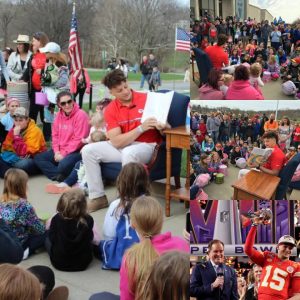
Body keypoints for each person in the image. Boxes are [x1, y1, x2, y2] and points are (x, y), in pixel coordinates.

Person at [81, 69, 165, 212]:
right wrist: (140, 128)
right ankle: (98, 197)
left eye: (126, 86)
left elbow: (164, 126)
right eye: (119, 90)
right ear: (111, 92)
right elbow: (116, 142)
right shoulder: (111, 109)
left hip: (147, 146)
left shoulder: (147, 99)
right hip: (123, 145)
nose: (126, 92)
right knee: (88, 150)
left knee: (128, 152)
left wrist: (162, 126)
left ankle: (129, 200)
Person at [120, 196, 189, 300]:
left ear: (132, 224)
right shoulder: (182, 245)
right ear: (161, 221)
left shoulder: (130, 258)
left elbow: (126, 297)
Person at [99, 162, 149, 269]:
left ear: (121, 182)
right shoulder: (150, 204)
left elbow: (108, 234)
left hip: (122, 254)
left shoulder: (116, 205)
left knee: (98, 244)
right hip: (144, 252)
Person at [34, 91, 90, 181]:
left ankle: (59, 172)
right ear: (59, 105)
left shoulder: (81, 115)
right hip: (60, 150)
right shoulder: (59, 115)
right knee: (38, 158)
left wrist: (63, 154)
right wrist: (56, 152)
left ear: (73, 101)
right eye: (63, 103)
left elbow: (78, 140)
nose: (67, 105)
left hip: (75, 151)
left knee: (63, 165)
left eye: (69, 101)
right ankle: (60, 175)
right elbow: (55, 135)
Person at [244, 222, 300, 299]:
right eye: (285, 246)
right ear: (278, 247)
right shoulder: (267, 257)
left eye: (290, 248)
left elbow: (298, 295)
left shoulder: (296, 266)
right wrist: (254, 225)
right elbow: (248, 249)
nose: (288, 250)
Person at [45, 188, 94, 271]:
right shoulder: (88, 220)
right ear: (84, 205)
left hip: (59, 263)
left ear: (61, 204)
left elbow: (52, 238)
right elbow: (90, 238)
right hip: (82, 263)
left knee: (46, 237)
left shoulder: (56, 219)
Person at [0, 169, 46, 257]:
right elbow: (39, 230)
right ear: (22, 186)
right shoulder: (24, 206)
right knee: (49, 231)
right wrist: (45, 224)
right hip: (18, 247)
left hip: (4, 243)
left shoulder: (1, 201)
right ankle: (27, 251)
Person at [0, 107, 46, 178]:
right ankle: (11, 173)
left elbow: (25, 153)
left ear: (27, 120)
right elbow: (6, 147)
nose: (18, 123)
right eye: (16, 120)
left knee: (22, 164)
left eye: (21, 120)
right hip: (16, 157)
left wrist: (17, 136)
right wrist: (6, 154)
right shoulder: (13, 129)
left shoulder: (35, 131)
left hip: (33, 159)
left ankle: (9, 172)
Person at [21, 32, 49, 124]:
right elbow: (28, 70)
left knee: (44, 114)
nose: (32, 43)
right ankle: (31, 133)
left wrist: (43, 72)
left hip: (43, 89)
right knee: (33, 113)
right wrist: (21, 80)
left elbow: (53, 71)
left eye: (33, 41)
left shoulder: (48, 55)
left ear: (40, 42)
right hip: (34, 89)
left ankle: (47, 135)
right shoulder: (33, 55)